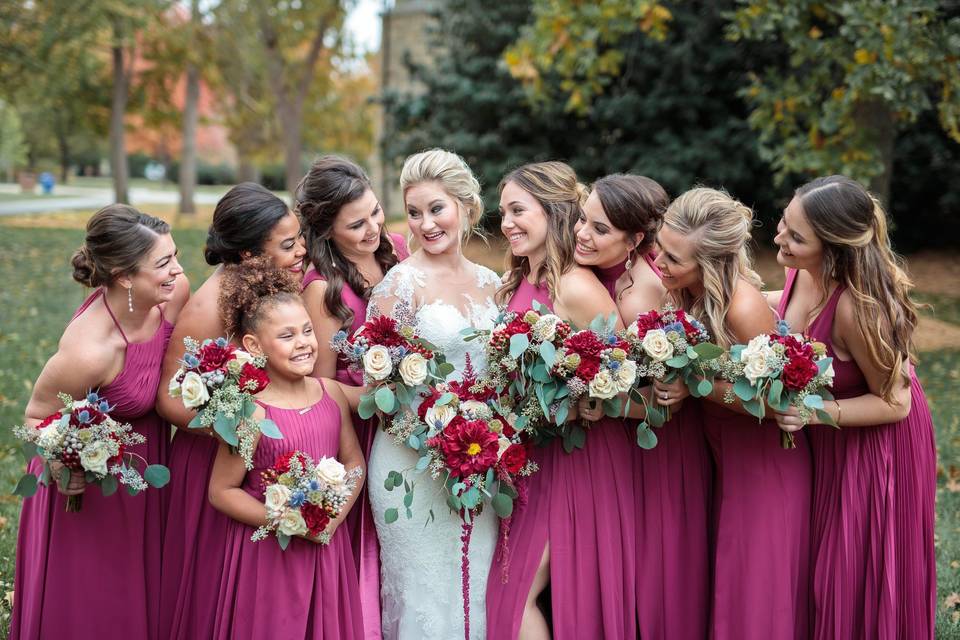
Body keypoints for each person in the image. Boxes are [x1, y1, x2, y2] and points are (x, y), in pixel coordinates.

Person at [770, 175, 936, 638]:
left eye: (796, 237)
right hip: (834, 439)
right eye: (785, 222)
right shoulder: (800, 270)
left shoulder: (857, 309)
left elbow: (896, 402)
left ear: (834, 249)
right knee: (829, 566)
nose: (780, 237)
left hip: (878, 443)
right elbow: (786, 311)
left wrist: (812, 414)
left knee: (859, 568)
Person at [11, 205, 188, 639]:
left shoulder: (174, 292)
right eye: (163, 263)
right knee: (97, 606)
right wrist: (61, 463)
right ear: (125, 276)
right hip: (96, 486)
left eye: (175, 255)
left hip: (145, 470)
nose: (178, 270)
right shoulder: (90, 350)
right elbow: (37, 416)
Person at [654, 187, 811, 639]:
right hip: (723, 455)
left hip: (765, 465)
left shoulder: (742, 309)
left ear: (707, 263)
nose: (659, 263)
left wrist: (696, 387)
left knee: (754, 595)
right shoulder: (689, 292)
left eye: (673, 258)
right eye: (660, 248)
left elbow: (773, 401)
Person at [486, 162, 635, 640]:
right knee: (512, 593)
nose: (506, 222)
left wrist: (580, 401)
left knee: (516, 596)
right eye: (503, 210)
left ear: (552, 212)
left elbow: (630, 383)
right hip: (536, 458)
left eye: (518, 210)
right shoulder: (520, 278)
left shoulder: (575, 287)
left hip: (578, 462)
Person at [156, 182, 306, 639]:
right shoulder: (207, 307)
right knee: (217, 587)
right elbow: (167, 396)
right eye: (288, 245)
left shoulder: (268, 286)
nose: (302, 251)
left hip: (262, 457)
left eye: (299, 239)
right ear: (247, 255)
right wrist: (232, 426)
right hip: (213, 460)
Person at [365, 149, 500, 639]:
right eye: (414, 212)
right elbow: (377, 391)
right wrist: (436, 441)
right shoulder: (398, 286)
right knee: (425, 595)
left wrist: (488, 440)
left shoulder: (494, 284)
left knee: (475, 587)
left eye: (436, 208)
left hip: (481, 463)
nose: (425, 224)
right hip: (412, 465)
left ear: (465, 205)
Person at [575, 174, 712, 639]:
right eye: (582, 220)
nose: (581, 233)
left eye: (599, 229)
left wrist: (602, 405)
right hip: (621, 448)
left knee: (658, 573)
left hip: (662, 449)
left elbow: (663, 401)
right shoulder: (598, 275)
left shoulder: (647, 293)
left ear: (635, 239)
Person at [209, 260, 365, 639]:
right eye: (287, 336)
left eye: (308, 331)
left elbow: (354, 462)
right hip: (269, 555)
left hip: (326, 545)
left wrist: (333, 516)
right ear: (253, 346)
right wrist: (290, 522)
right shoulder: (251, 410)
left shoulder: (329, 393)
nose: (303, 343)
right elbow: (222, 490)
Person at [296, 156, 409, 638]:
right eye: (356, 224)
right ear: (326, 232)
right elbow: (317, 383)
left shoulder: (399, 250)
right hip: (359, 425)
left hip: (412, 420)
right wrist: (378, 392)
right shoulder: (323, 289)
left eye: (376, 212)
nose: (373, 229)